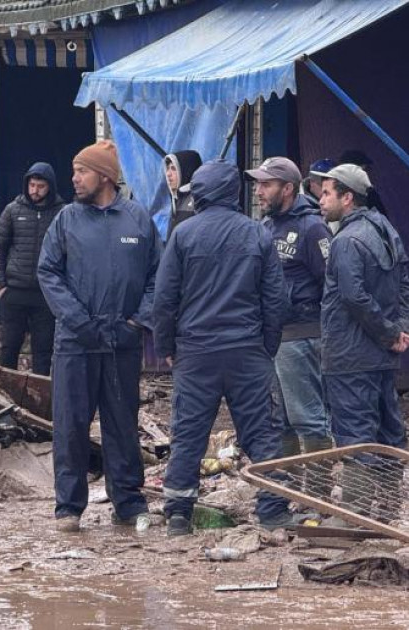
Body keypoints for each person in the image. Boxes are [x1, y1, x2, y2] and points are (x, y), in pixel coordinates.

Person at [153, 160, 296, 536]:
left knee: (189, 433)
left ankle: (180, 515)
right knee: (263, 433)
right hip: (247, 350)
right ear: (234, 193)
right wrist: (266, 346)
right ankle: (272, 511)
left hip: (196, 353)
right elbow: (276, 300)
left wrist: (167, 346)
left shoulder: (184, 235)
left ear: (200, 193)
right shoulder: (257, 235)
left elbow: (165, 298)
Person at [38, 141, 159, 533]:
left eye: (82, 171)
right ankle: (69, 507)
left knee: (122, 423)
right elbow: (49, 273)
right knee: (71, 424)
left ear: (104, 176)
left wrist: (137, 323)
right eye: (74, 171)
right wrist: (79, 321)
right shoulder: (66, 220)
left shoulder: (138, 220)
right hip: (76, 342)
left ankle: (128, 502)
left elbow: (159, 277)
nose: (74, 178)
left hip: (122, 342)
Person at [315, 164, 409, 521]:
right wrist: (399, 331)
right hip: (382, 356)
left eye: (326, 193)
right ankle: (385, 509)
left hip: (351, 356)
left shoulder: (346, 241)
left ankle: (354, 516)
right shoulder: (386, 230)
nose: (320, 200)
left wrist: (389, 331)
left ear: (347, 197)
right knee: (387, 431)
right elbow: (404, 284)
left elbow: (353, 297)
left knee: (355, 433)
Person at [246, 157, 333, 457]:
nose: (258, 191)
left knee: (307, 418)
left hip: (302, 336)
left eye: (265, 184)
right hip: (271, 337)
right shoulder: (265, 226)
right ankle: (288, 491)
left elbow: (332, 284)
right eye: (257, 183)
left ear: (287, 188)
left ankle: (317, 495)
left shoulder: (313, 228)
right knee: (279, 420)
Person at [0, 162, 62, 375]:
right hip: (15, 292)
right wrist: (0, 285)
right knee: (9, 347)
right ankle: (5, 393)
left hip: (45, 294)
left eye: (40, 186)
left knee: (43, 350)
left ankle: (40, 397)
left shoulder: (61, 212)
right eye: (32, 185)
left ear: (50, 187)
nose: (35, 191)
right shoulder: (13, 210)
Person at [163, 150, 202, 241]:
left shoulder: (198, 202)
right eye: (167, 168)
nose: (168, 174)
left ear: (186, 170)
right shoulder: (177, 199)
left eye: (173, 168)